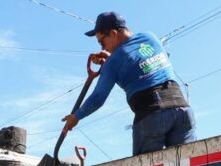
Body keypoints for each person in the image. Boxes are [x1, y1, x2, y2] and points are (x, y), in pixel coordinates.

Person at [62, 11, 196, 156]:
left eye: (102, 42)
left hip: (152, 114)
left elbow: (98, 97)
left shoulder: (113, 63)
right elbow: (138, 62)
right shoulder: (150, 37)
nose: (102, 48)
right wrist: (111, 59)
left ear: (113, 34)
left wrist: (76, 117)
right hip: (182, 110)